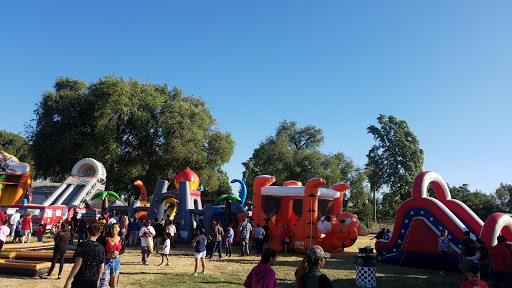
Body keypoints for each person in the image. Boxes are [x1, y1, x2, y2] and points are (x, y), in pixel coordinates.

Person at [64, 223, 105, 288]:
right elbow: (102, 267)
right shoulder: (101, 248)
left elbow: (78, 263)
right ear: (99, 234)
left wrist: (68, 280)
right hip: (93, 280)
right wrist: (97, 279)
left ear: (87, 232)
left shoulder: (82, 245)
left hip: (80, 278)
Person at [98, 223, 125, 288]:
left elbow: (123, 250)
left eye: (116, 227)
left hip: (116, 261)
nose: (114, 229)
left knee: (114, 283)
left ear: (119, 229)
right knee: (103, 281)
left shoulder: (122, 239)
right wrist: (107, 253)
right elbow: (100, 248)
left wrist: (118, 253)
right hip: (106, 261)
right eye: (112, 228)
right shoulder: (106, 239)